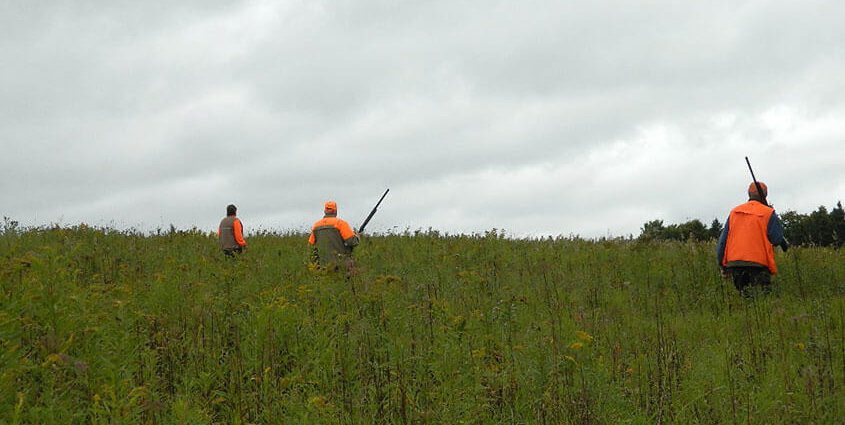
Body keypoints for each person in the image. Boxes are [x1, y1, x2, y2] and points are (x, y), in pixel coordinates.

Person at [716, 182, 787, 296]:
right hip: (759, 266)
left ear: (749, 194)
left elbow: (722, 242)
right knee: (763, 300)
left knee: (745, 299)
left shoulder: (734, 212)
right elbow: (777, 239)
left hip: (735, 264)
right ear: (765, 195)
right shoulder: (768, 213)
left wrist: (722, 266)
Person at [308, 201, 359, 270]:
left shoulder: (316, 226)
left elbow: (310, 246)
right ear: (335, 211)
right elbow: (352, 242)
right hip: (340, 265)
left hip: (322, 266)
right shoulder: (340, 223)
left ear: (325, 211)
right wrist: (357, 236)